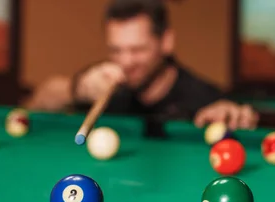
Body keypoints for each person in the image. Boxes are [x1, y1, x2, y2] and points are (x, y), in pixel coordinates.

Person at [25, 0, 258, 131]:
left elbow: (236, 116)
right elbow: (37, 103)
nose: (125, 62)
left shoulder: (202, 96)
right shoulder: (103, 81)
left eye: (137, 50)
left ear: (166, 42)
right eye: (116, 50)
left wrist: (231, 115)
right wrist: (79, 88)